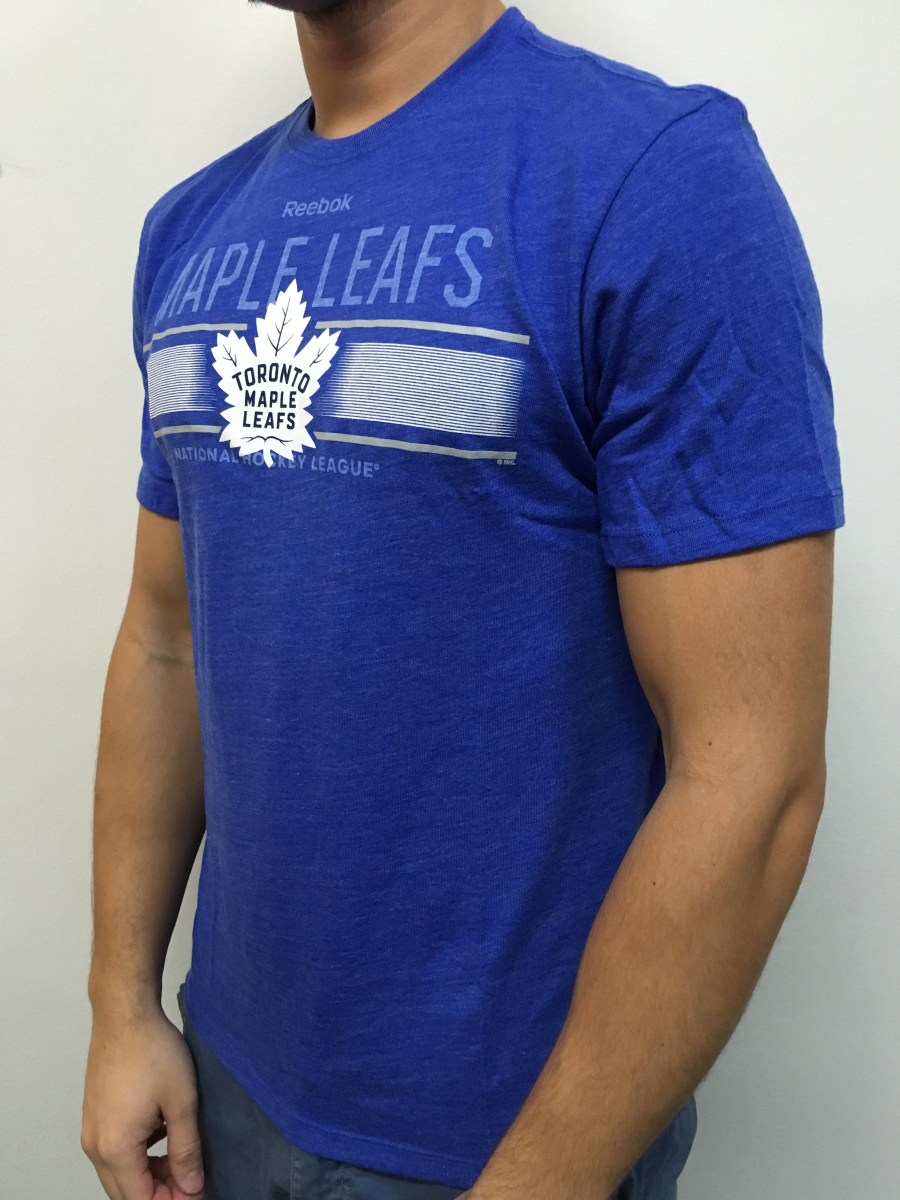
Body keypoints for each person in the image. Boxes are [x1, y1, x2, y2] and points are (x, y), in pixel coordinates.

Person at [80, 1, 843, 1198]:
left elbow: (752, 772)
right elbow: (165, 640)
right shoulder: (191, 226)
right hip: (224, 1083)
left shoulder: (655, 180)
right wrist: (120, 1003)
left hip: (505, 1139)